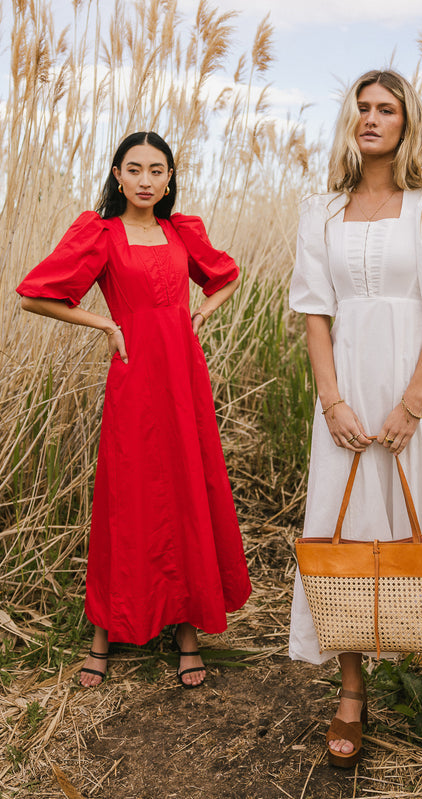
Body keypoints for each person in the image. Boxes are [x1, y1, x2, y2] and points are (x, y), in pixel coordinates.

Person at [288, 70, 422, 766]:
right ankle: (351, 690)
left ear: (406, 120)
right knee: (345, 527)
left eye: (386, 108)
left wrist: (412, 401)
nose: (371, 118)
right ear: (347, 121)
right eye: (361, 107)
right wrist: (331, 400)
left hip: (416, 388)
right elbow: (315, 313)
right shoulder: (320, 210)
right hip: (346, 388)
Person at [17, 131, 251, 689]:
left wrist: (197, 315)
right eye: (135, 169)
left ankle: (186, 626)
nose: (146, 180)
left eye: (157, 170)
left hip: (183, 375)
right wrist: (104, 323)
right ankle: (105, 631)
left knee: (186, 488)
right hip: (134, 374)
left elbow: (225, 276)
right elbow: (33, 294)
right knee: (127, 495)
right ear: (117, 175)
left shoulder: (180, 231)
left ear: (170, 177)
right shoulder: (100, 233)